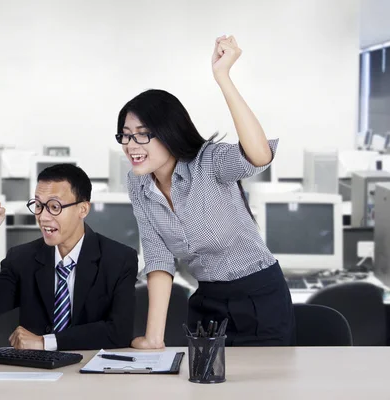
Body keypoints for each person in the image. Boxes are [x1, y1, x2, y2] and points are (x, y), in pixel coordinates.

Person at [119, 35, 295, 348]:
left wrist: (222, 77)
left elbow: (259, 156)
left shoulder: (209, 162)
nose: (131, 145)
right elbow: (158, 257)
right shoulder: (139, 183)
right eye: (126, 136)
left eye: (143, 136)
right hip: (208, 301)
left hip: (259, 297)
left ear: (169, 133)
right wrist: (153, 339)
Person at [0, 163, 138, 351]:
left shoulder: (119, 259)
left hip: (91, 370)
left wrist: (45, 342)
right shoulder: (21, 258)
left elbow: (118, 332)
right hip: (38, 373)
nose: (43, 217)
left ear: (83, 209)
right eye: (38, 205)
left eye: (54, 206)